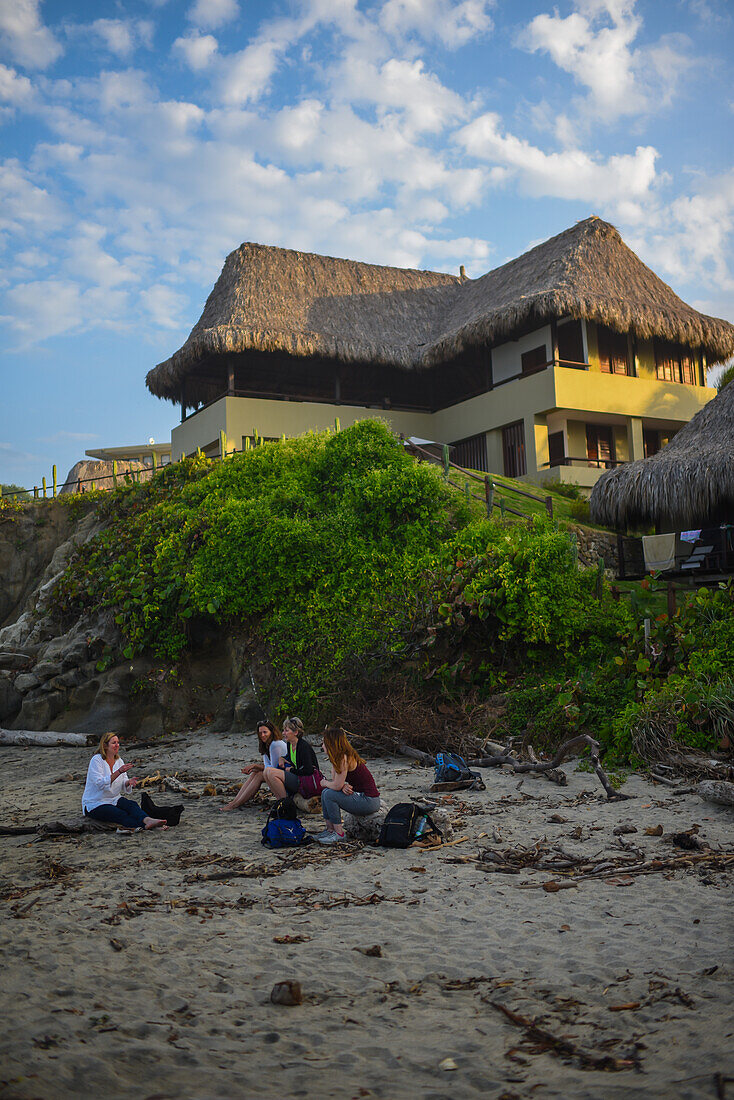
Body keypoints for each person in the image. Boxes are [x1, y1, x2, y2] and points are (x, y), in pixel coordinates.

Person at [82, 732, 167, 831]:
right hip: (95, 803)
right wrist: (119, 772)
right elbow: (100, 784)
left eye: (118, 742)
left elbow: (123, 782)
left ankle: (148, 820)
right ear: (105, 745)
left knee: (132, 805)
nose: (117, 745)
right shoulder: (96, 760)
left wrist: (128, 782)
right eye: (113, 743)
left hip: (113, 799)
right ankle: (148, 827)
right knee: (119, 813)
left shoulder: (119, 761)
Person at [318, 727, 380, 844]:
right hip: (360, 796)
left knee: (329, 794)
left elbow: (334, 785)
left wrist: (325, 783)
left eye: (324, 743)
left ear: (331, 744)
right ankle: (330, 830)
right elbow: (336, 782)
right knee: (325, 792)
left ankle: (339, 833)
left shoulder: (344, 758)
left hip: (369, 801)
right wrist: (342, 786)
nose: (322, 746)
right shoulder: (338, 757)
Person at [220, 720, 287, 811]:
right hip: (275, 773)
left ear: (271, 732)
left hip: (283, 775)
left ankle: (235, 804)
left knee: (259, 774)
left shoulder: (275, 744)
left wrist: (255, 766)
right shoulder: (266, 744)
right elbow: (267, 766)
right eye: (260, 733)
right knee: (255, 773)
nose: (262, 735)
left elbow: (273, 769)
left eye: (265, 732)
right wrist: (255, 768)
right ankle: (235, 801)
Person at [264, 717, 322, 800]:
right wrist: (282, 758)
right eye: (283, 730)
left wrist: (291, 770)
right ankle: (279, 800)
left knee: (271, 772)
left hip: (306, 781)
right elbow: (291, 758)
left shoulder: (303, 747)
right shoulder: (290, 744)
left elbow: (309, 770)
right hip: (298, 776)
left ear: (295, 732)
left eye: (286, 731)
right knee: (266, 771)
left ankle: (286, 802)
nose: (283, 733)